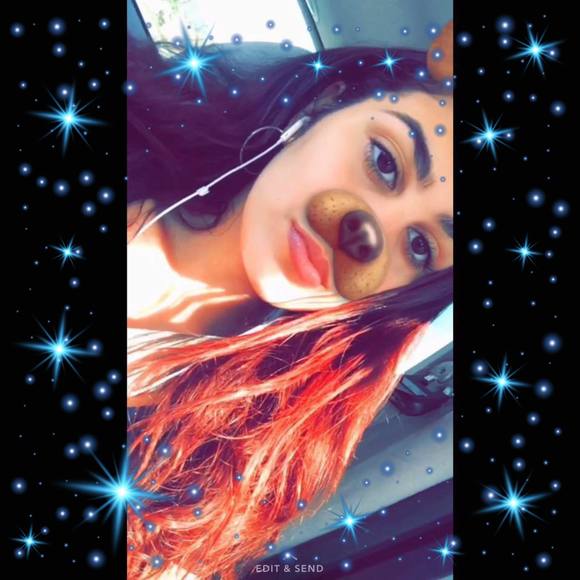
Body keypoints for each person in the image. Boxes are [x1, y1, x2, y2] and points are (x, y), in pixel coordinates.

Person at [127, 21, 453, 580]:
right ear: (328, 103)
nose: (360, 235)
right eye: (385, 161)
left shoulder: (225, 462)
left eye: (420, 247)